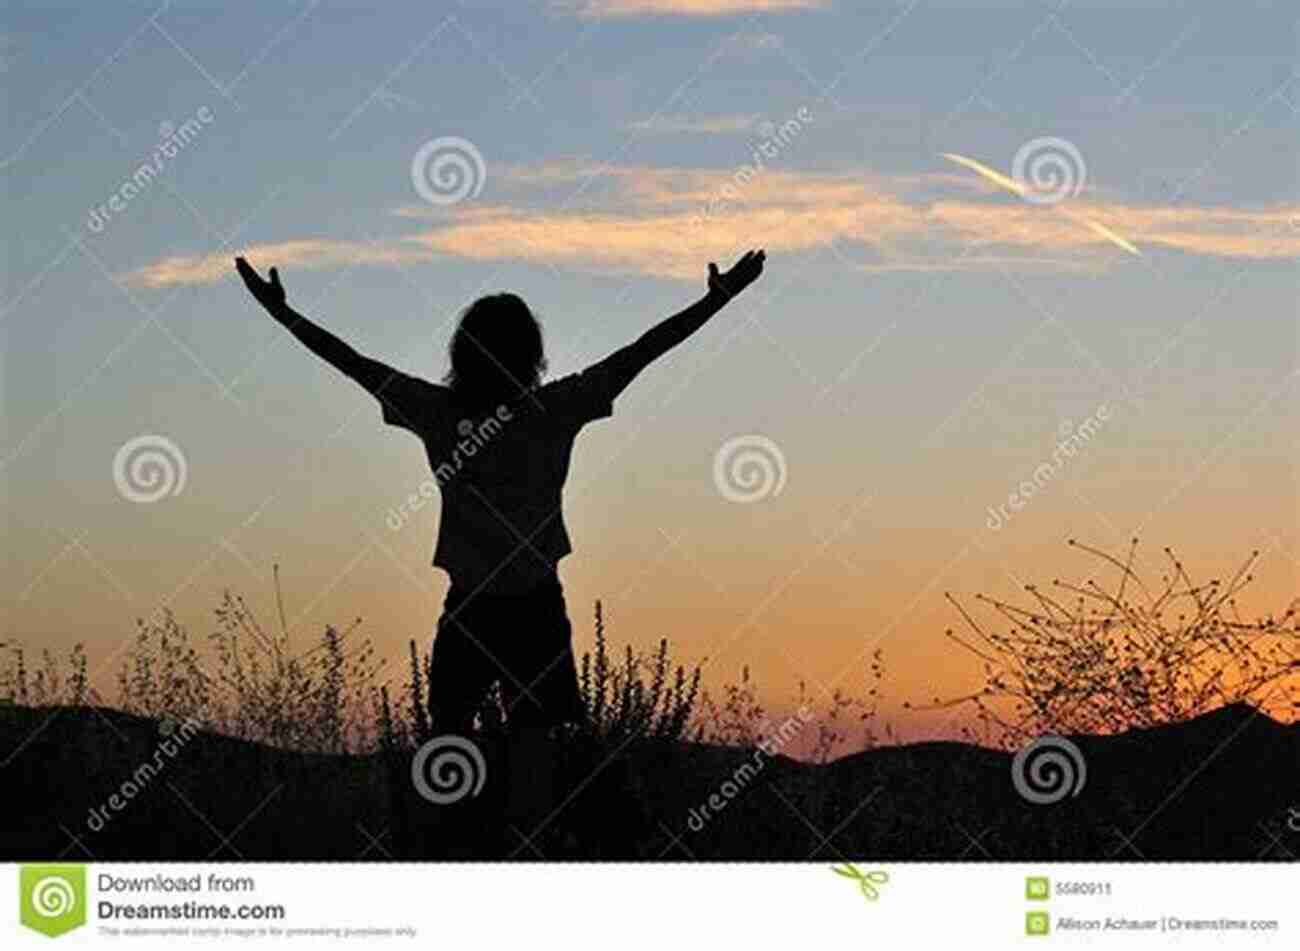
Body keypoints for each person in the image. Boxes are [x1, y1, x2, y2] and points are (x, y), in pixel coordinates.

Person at [235, 250, 766, 839]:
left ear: (460, 354)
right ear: (532, 355)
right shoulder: (553, 409)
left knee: (447, 755)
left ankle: (444, 859)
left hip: (473, 608)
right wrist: (716, 302)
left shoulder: (440, 411)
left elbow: (352, 363)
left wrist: (283, 317)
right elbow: (642, 351)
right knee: (528, 769)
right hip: (533, 607)